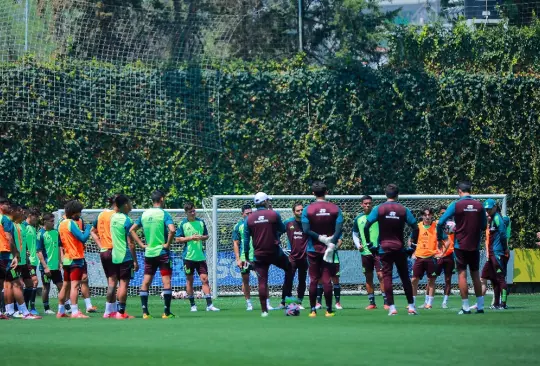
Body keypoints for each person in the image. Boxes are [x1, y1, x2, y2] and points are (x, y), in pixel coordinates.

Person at [364, 184, 419, 316]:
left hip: (384, 249)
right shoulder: (403, 209)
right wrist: (413, 247)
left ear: (385, 194)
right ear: (397, 195)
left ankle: (392, 308)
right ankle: (411, 306)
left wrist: (369, 244)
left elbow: (366, 226)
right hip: (399, 248)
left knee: (387, 277)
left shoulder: (379, 209)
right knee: (405, 276)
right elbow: (416, 227)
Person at [437, 181, 487, 315]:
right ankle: (480, 307)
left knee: (462, 274)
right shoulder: (479, 205)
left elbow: (441, 222)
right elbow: (483, 226)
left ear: (459, 191)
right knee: (476, 275)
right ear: (470, 190)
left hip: (460, 246)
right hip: (475, 246)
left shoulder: (456, 205)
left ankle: (465, 307)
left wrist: (439, 238)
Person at [243, 192, 293, 317]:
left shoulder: (249, 219)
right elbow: (283, 229)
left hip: (259, 255)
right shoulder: (273, 214)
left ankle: (264, 311)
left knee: (262, 282)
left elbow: (245, 240)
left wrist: (248, 258)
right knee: (290, 268)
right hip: (274, 252)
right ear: (265, 202)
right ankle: (287, 301)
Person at [129, 190, 176, 319]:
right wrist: (167, 244)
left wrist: (141, 245)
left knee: (146, 281)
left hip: (149, 253)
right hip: (162, 253)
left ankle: (145, 313)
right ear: (161, 199)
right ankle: (166, 313)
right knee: (166, 282)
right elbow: (172, 230)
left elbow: (132, 230)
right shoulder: (164, 214)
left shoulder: (144, 214)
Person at [301, 181, 343, 318]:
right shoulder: (335, 209)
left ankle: (312, 310)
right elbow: (338, 231)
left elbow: (306, 230)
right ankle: (329, 310)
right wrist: (331, 243)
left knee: (313, 279)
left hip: (313, 248)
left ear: (313, 193)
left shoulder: (307, 209)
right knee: (327, 279)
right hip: (328, 249)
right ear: (326, 192)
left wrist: (320, 238)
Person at [176, 201, 219, 312]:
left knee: (205, 280)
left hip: (200, 257)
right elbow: (177, 239)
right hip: (188, 257)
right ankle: (192, 305)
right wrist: (190, 238)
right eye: (191, 212)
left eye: (194, 210)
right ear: (186, 212)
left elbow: (206, 236)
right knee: (189, 280)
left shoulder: (201, 222)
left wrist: (201, 237)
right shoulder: (183, 224)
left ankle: (209, 305)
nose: (193, 213)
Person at [1, 201, 40, 319]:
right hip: (6, 256)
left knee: (7, 283)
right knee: (17, 284)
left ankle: (9, 311)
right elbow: (9, 239)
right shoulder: (7, 221)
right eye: (21, 211)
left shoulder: (18, 225)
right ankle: (25, 312)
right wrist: (16, 255)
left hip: (7, 257)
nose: (23, 213)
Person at [57, 200, 92, 318]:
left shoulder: (61, 224)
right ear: (73, 213)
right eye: (79, 212)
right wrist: (88, 229)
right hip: (75, 258)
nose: (80, 215)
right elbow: (83, 238)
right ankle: (75, 311)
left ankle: (60, 311)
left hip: (66, 258)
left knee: (65, 285)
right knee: (75, 286)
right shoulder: (71, 223)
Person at [353, 195, 387, 310]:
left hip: (378, 251)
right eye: (365, 203)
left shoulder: (378, 217)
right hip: (365, 253)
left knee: (381, 275)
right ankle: (372, 302)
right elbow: (355, 234)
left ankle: (386, 302)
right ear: (361, 205)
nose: (367, 205)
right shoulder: (358, 219)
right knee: (368, 276)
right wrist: (358, 245)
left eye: (369, 203)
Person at [110, 194, 139, 319]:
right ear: (126, 204)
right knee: (123, 285)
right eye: (130, 202)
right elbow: (131, 243)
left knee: (118, 284)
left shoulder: (113, 218)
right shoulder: (127, 221)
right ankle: (121, 313)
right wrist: (135, 261)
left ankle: (117, 311)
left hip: (115, 256)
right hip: (125, 256)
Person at [91, 194, 118, 318]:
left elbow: (92, 230)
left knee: (111, 280)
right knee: (113, 281)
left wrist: (100, 244)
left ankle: (113, 309)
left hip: (104, 250)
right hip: (113, 250)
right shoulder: (115, 215)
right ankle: (108, 310)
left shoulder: (101, 214)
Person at [481, 199, 509, 309]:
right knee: (492, 278)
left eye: (489, 209)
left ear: (495, 208)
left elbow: (503, 233)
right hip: (492, 254)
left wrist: (505, 249)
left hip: (498, 253)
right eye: (486, 209)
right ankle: (496, 303)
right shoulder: (491, 219)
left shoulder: (497, 217)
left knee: (500, 278)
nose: (487, 211)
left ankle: (503, 303)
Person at [410, 208, 439, 310]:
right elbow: (411, 240)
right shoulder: (417, 227)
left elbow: (445, 240)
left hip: (431, 257)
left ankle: (429, 303)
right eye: (425, 215)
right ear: (422, 216)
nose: (427, 217)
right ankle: (412, 302)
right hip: (419, 257)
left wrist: (441, 252)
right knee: (414, 280)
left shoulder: (436, 226)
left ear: (432, 215)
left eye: (429, 214)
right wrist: (412, 251)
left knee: (431, 280)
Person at [36, 213, 63, 315]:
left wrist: (60, 262)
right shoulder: (40, 234)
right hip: (46, 268)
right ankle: (46, 308)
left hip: (56, 266)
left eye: (53, 221)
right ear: (45, 222)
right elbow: (39, 252)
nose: (53, 223)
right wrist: (45, 267)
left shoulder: (56, 232)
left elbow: (60, 247)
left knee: (61, 286)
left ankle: (66, 306)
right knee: (46, 287)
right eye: (51, 221)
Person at [284, 203, 309, 310]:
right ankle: (287, 302)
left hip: (305, 257)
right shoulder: (288, 223)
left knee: (302, 280)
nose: (300, 212)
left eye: (302, 210)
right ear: (294, 212)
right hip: (292, 257)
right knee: (288, 279)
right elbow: (277, 231)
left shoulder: (308, 223)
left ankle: (299, 302)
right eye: (298, 210)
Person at [232, 204, 255, 311]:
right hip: (244, 258)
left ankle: (267, 303)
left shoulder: (257, 223)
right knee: (245, 280)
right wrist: (238, 259)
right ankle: (248, 303)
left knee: (263, 279)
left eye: (251, 213)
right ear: (242, 214)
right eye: (247, 213)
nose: (250, 215)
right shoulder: (238, 226)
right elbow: (236, 243)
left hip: (257, 257)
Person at [435, 205, 456, 309]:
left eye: (445, 213)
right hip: (438, 254)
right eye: (442, 213)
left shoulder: (453, 224)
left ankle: (445, 302)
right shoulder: (437, 224)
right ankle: (428, 301)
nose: (444, 215)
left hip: (449, 255)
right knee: (432, 278)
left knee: (448, 279)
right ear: (440, 214)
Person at [22, 208, 40, 315]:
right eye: (36, 217)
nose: (37, 219)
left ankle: (27, 307)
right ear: (30, 215)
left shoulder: (33, 228)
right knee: (34, 281)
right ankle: (28, 307)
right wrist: (24, 251)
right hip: (27, 261)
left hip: (34, 260)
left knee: (31, 283)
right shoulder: (23, 226)